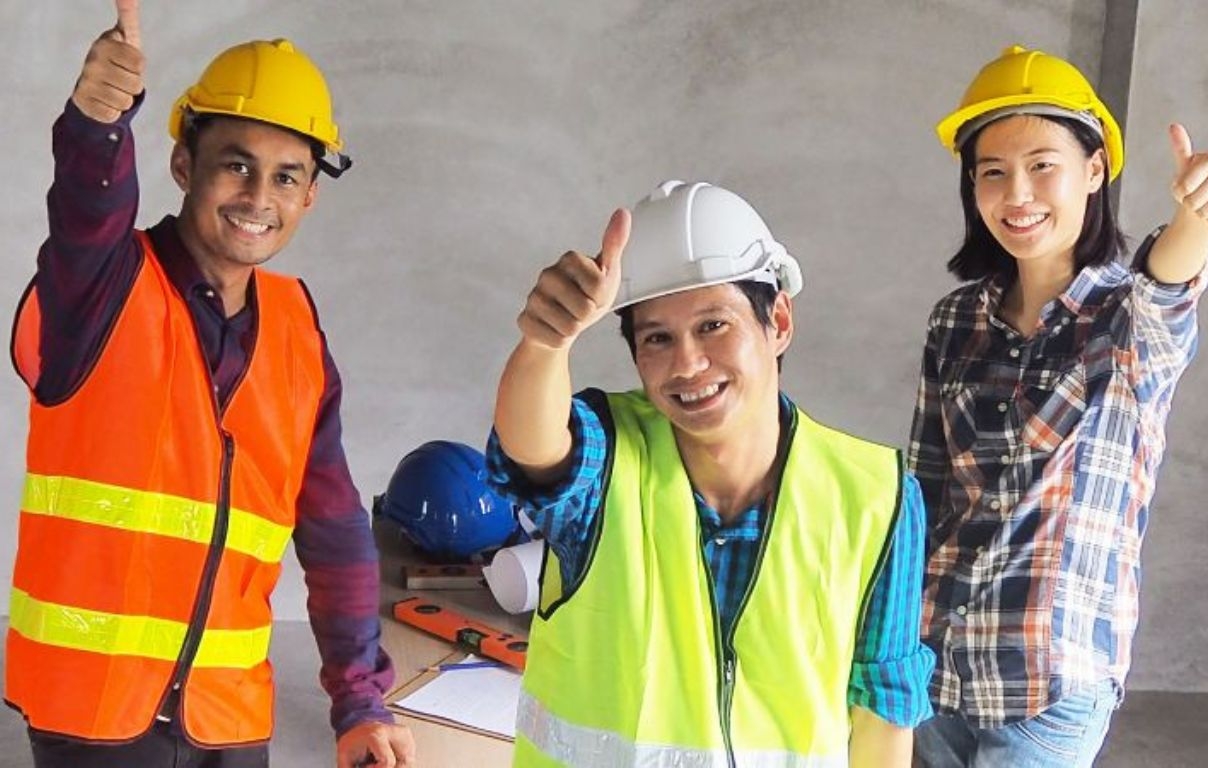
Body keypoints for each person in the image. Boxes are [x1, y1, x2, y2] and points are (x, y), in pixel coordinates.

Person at [6, 2, 415, 766]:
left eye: (286, 175)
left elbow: (332, 532)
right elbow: (87, 212)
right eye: (236, 164)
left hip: (227, 718)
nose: (260, 196)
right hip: (93, 717)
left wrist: (359, 699)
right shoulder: (99, 285)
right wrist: (96, 126)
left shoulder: (297, 330)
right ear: (184, 166)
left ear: (309, 195)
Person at [489, 180, 934, 767]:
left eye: (713, 326)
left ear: (777, 320)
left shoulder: (878, 496)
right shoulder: (610, 454)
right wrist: (546, 345)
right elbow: (535, 448)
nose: (688, 364)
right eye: (657, 339)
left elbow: (882, 713)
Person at [908, 45, 1208, 766]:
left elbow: (1169, 286)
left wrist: (1198, 220)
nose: (1017, 194)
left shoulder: (1126, 322)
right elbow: (925, 493)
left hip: (1049, 683)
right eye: (991, 172)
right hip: (934, 666)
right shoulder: (955, 320)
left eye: (1042, 165)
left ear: (1094, 171)